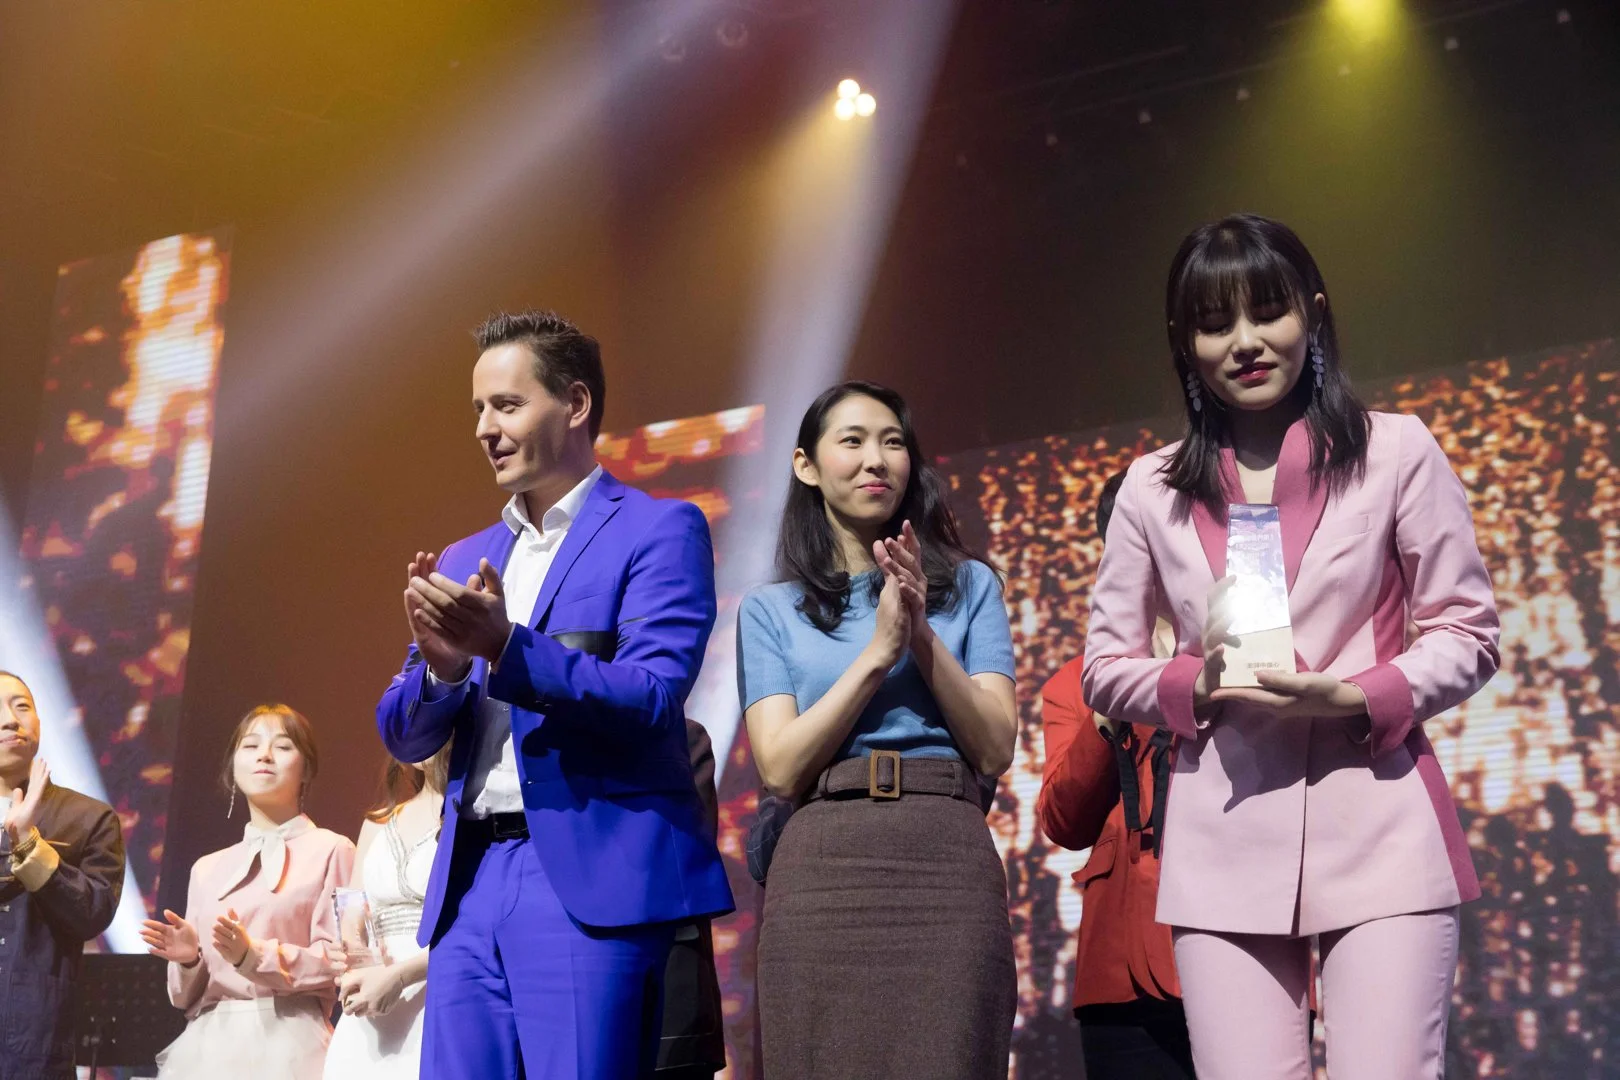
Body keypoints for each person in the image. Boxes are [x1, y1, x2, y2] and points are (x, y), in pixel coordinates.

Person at [1082, 213, 1500, 1080]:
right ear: (1184, 344)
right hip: (1224, 838)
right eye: (1214, 323)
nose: (1245, 342)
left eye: (1266, 311)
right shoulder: (1150, 489)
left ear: (1312, 312)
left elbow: (1469, 630)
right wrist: (1196, 684)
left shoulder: (1397, 451)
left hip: (1380, 825)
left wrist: (1358, 695)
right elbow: (1105, 664)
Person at [376, 309, 733, 1080]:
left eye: (505, 405)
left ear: (574, 406)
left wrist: (504, 647)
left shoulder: (658, 528)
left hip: (584, 871)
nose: (483, 428)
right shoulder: (469, 553)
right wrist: (440, 671)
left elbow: (651, 696)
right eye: (477, 409)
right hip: (470, 878)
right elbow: (404, 737)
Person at [738, 380, 1018, 1080]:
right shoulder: (770, 610)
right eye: (853, 441)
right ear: (807, 464)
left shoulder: (973, 587)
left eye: (893, 442)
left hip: (945, 860)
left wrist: (920, 632)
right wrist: (878, 653)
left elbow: (995, 745)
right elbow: (779, 767)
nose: (877, 460)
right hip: (824, 863)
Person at [1036, 473, 1193, 1080]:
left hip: (1248, 936)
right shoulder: (1076, 681)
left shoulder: (1253, 653)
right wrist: (1109, 705)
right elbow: (1064, 822)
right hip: (1123, 972)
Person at [143, 704, 355, 1080]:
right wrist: (189, 960)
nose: (265, 755)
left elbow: (340, 961)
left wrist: (252, 955)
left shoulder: (333, 849)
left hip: (290, 1040)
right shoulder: (207, 868)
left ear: (306, 768)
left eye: (283, 746)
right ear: (232, 768)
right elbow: (181, 997)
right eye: (251, 745)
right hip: (207, 1046)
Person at [0, 670, 126, 1080]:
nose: (9, 720)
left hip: (34, 1039)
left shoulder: (88, 818)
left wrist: (28, 845)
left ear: (39, 722)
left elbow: (92, 912)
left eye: (22, 706)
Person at [322, 747, 450, 1080]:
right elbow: (352, 907)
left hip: (438, 983)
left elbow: (473, 929)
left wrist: (400, 976)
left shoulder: (473, 821)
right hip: (371, 999)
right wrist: (355, 960)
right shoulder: (378, 822)